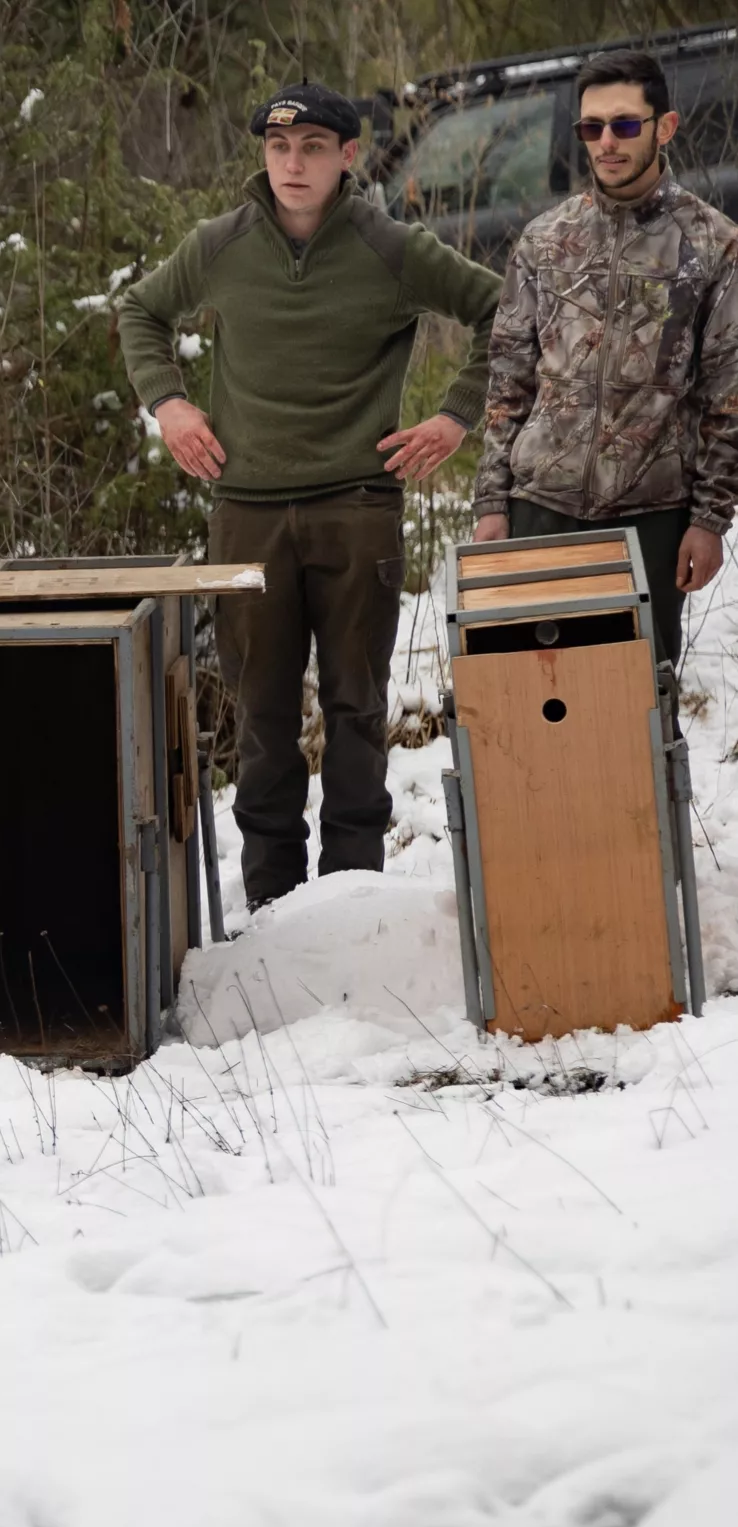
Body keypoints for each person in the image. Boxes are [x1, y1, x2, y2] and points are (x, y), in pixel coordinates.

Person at [117, 83, 501, 911]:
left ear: (348, 157)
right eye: (280, 148)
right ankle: (272, 910)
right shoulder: (221, 245)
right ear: (263, 153)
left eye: (314, 148)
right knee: (261, 721)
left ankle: (353, 904)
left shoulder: (390, 248)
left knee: (357, 710)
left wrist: (452, 417)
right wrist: (171, 402)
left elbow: (503, 313)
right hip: (247, 509)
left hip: (359, 508)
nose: (294, 164)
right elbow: (140, 313)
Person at [473, 47, 738, 665]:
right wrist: (492, 503)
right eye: (591, 127)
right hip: (541, 508)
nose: (606, 142)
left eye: (623, 124)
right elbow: (508, 381)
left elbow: (728, 396)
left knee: (639, 712)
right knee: (535, 702)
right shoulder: (545, 240)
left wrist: (709, 519)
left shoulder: (713, 245)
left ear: (663, 127)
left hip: (651, 517)